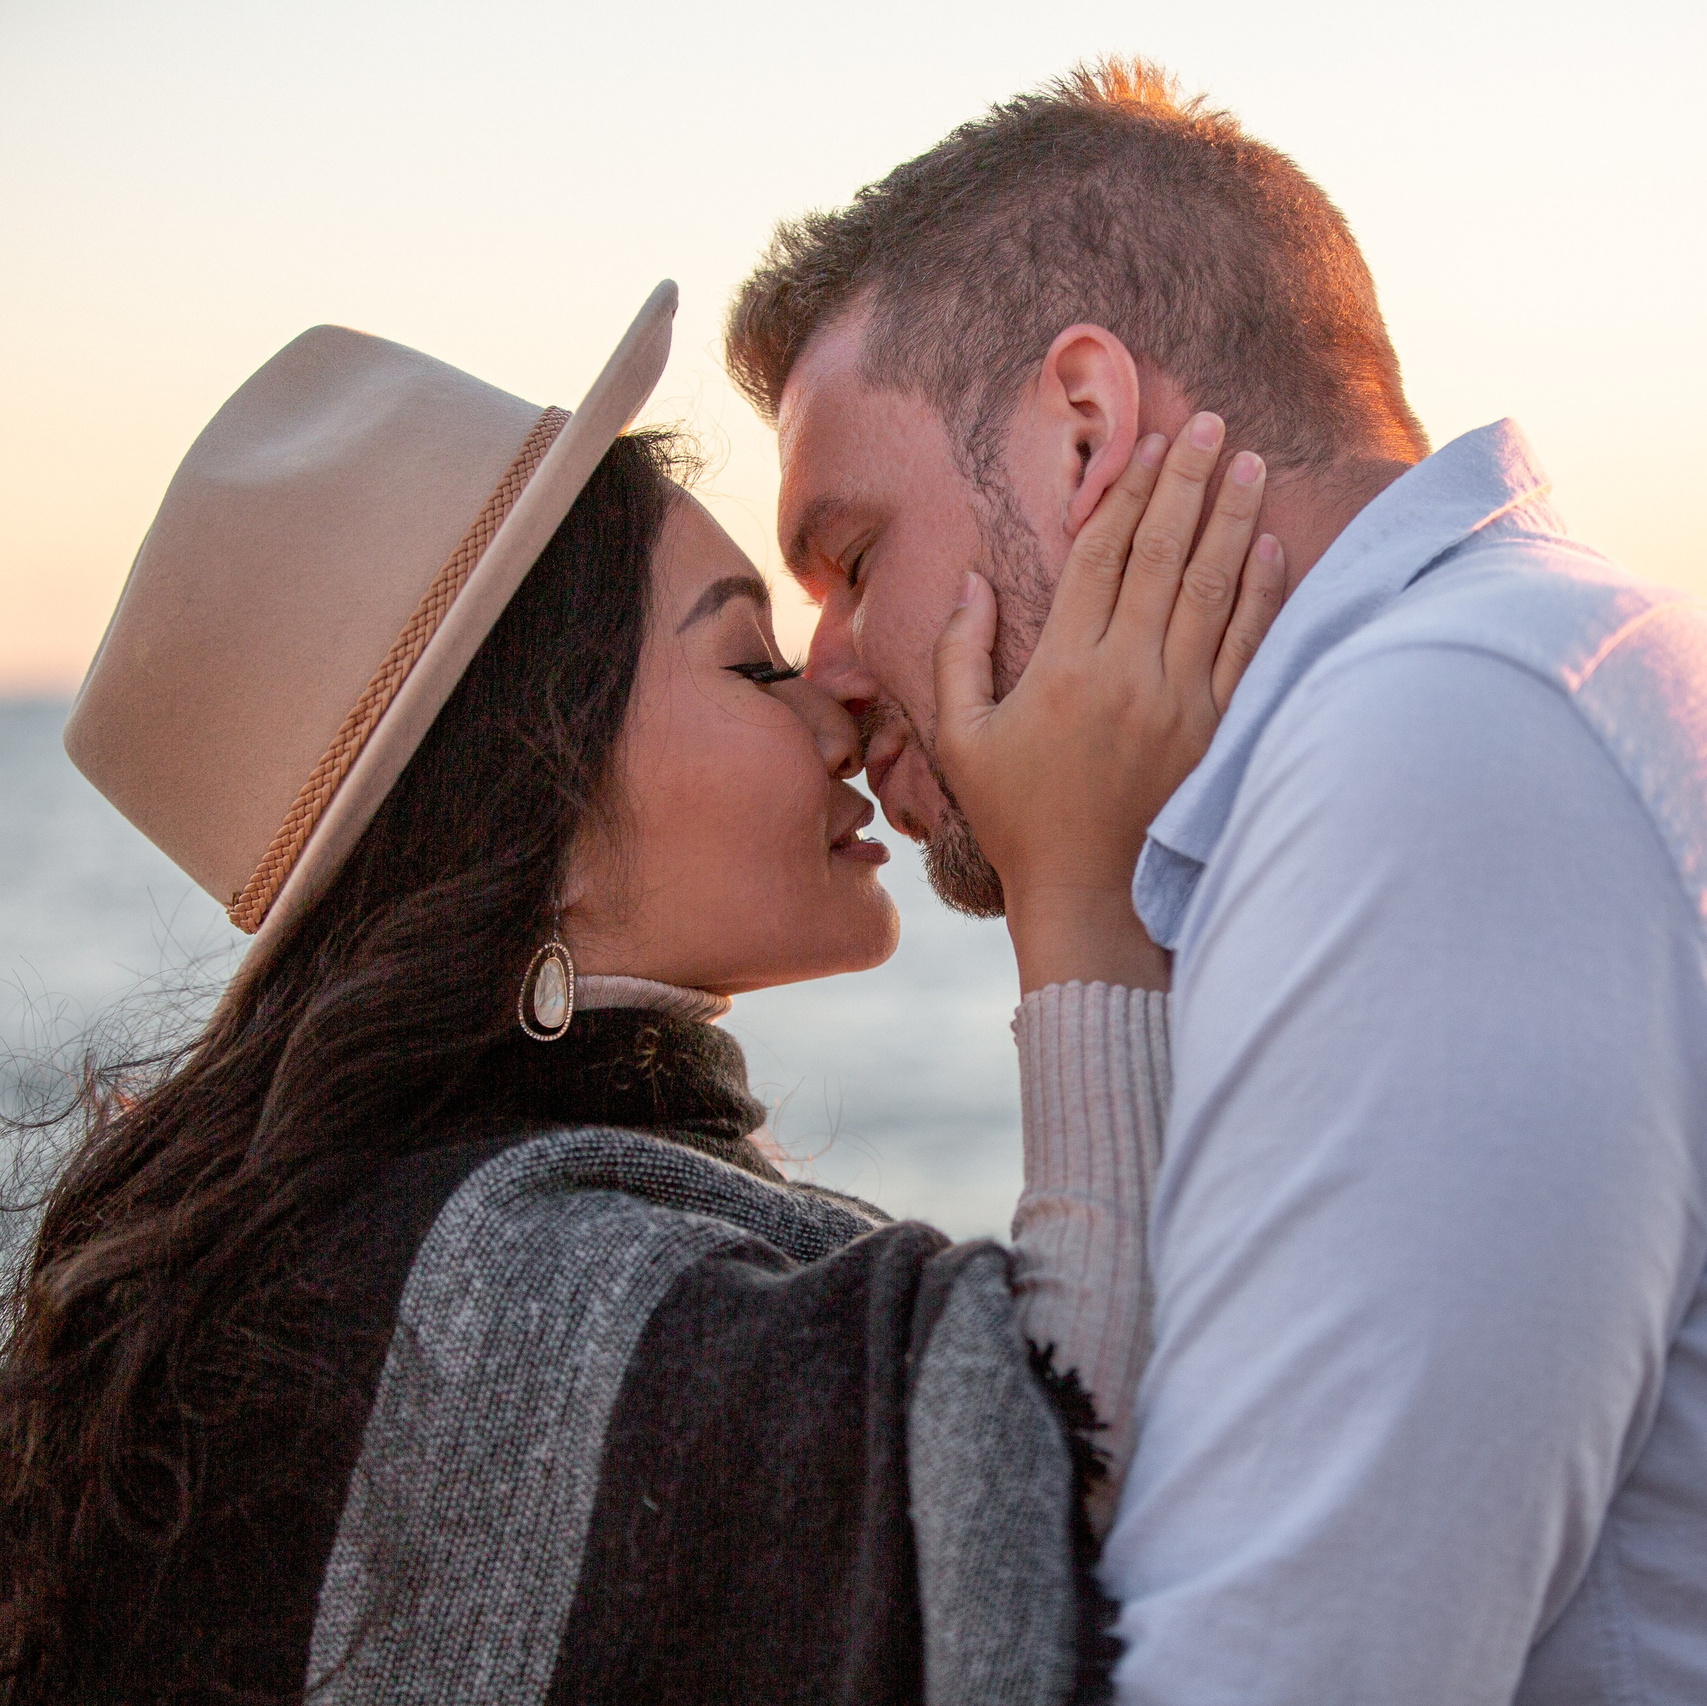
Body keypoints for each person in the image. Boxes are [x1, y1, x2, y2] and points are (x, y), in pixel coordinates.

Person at [0, 286, 1274, 1703]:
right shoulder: (495, 1299)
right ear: (532, 804)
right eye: (750, 661)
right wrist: (1084, 895)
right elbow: (1079, 1480)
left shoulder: (369, 1252)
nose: (838, 699)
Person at [724, 55, 1707, 1706]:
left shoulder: (1435, 753)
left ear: (1083, 429)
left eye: (855, 557)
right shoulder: (1506, 680)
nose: (828, 665)